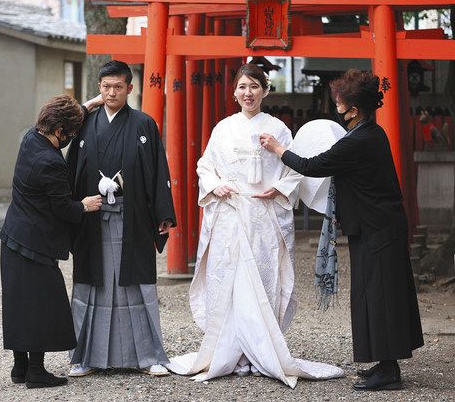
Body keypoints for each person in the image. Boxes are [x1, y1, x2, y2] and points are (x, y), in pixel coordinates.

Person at [166, 63, 344, 388]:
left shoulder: (278, 129)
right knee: (229, 282)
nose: (248, 93)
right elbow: (205, 164)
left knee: (263, 281)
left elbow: (294, 167)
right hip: (230, 214)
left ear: (265, 90)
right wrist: (214, 185)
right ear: (234, 92)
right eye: (242, 87)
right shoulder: (223, 128)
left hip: (263, 216)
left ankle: (259, 353)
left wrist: (279, 188)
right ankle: (231, 351)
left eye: (254, 87)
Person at [260, 69, 424, 391]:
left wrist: (279, 150)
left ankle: (389, 371)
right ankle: (383, 363)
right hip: (376, 226)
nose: (336, 107)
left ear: (354, 109)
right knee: (373, 294)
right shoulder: (367, 133)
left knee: (380, 297)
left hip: (380, 229)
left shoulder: (361, 140)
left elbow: (312, 165)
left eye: (339, 102)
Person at [65, 60, 176, 377]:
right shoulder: (85, 125)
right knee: (91, 285)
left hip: (133, 218)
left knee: (135, 285)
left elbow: (158, 172)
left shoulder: (143, 125)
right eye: (105, 87)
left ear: (130, 88)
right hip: (92, 216)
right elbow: (71, 169)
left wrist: (163, 213)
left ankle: (148, 355)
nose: (111, 92)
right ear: (98, 89)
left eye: (117, 86)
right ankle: (83, 356)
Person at [0, 94, 103, 389]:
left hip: (12, 237)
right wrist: (85, 204)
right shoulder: (50, 162)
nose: (71, 137)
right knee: (42, 306)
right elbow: (63, 209)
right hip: (35, 244)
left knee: (18, 304)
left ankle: (20, 367)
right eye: (70, 132)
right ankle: (36, 372)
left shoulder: (31, 138)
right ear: (61, 131)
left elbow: (61, 121)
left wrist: (87, 106)